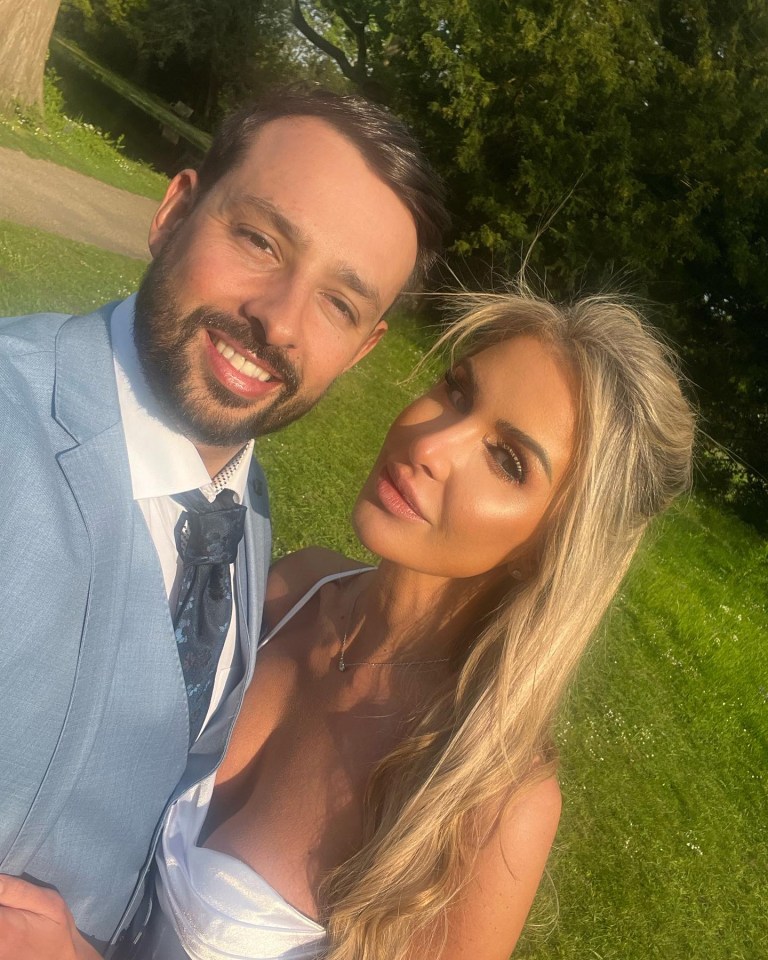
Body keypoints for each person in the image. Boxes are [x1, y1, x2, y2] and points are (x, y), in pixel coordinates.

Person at [0, 289, 695, 960]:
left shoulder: (490, 799)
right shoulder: (292, 588)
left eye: (506, 460)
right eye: (456, 390)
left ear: (553, 545)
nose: (431, 441)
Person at [0, 87, 448, 955]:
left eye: (339, 303)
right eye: (259, 240)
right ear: (174, 210)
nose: (278, 320)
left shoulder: (245, 517)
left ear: (361, 349)